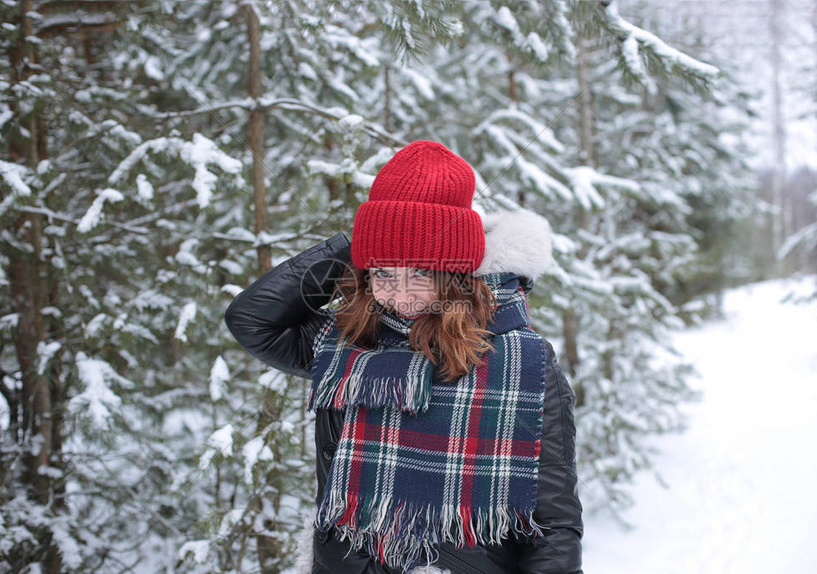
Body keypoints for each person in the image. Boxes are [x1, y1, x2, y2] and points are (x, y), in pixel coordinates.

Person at [225, 141, 583, 573]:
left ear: (456, 275)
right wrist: (355, 243)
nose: (398, 293)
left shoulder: (523, 359)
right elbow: (252, 320)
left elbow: (553, 520)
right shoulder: (349, 344)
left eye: (420, 272)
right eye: (382, 273)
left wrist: (388, 240)